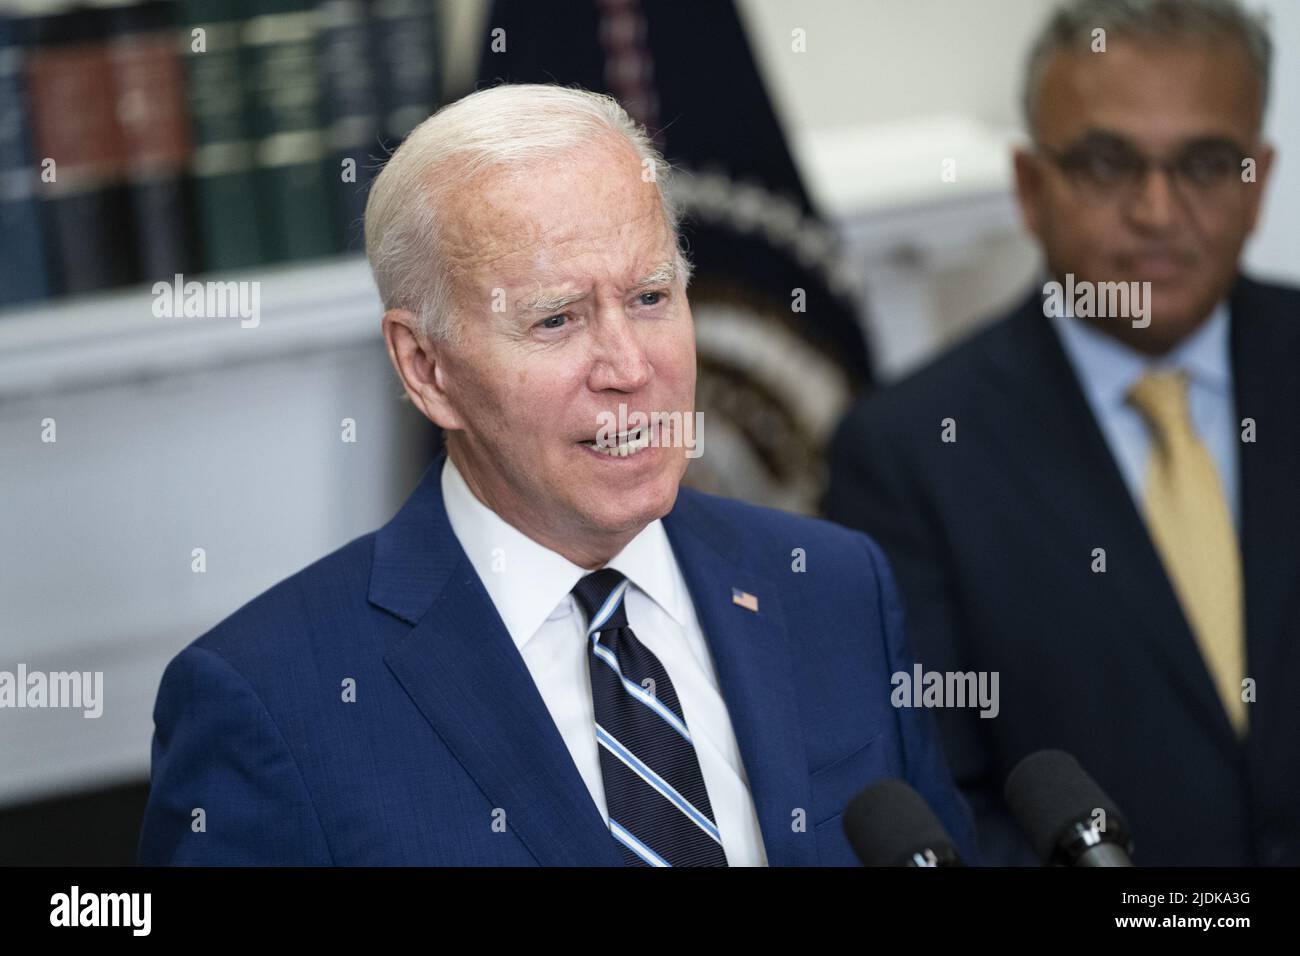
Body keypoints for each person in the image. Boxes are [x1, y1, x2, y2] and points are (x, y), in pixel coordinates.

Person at [137, 84, 975, 867]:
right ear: (426, 367)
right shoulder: (270, 703)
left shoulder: (835, 589)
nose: (628, 366)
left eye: (651, 298)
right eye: (556, 319)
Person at [827, 0, 1299, 866]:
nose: (1157, 211)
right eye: (1107, 162)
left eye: (1203, 163)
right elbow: (933, 802)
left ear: (1257, 182)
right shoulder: (909, 454)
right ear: (1031, 188)